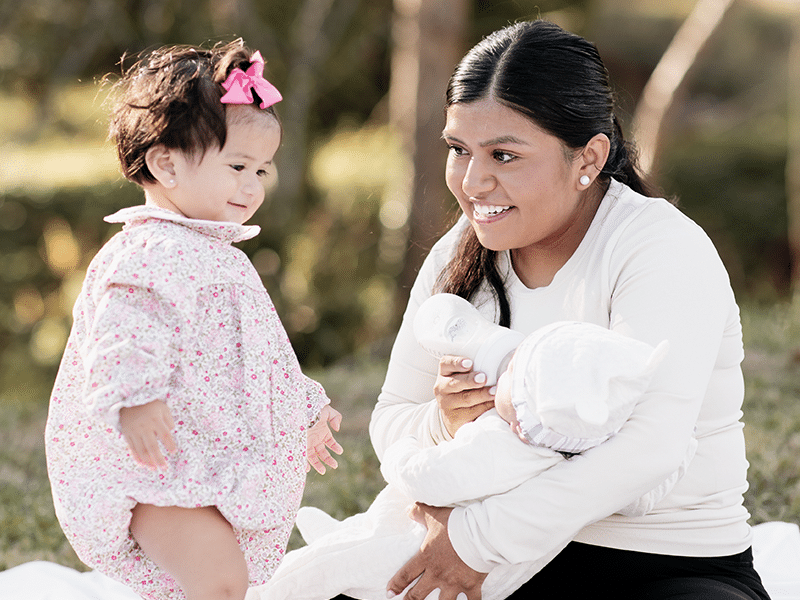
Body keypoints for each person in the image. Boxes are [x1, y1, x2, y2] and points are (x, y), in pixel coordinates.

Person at [370, 19, 771, 600]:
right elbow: (392, 414)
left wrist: (477, 540)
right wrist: (445, 424)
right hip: (512, 566)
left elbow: (650, 449)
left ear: (588, 158)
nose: (473, 182)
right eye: (459, 150)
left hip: (665, 565)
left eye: (504, 155)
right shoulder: (458, 252)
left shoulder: (661, 248)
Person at [45, 40, 343, 600]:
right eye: (237, 166)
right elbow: (123, 329)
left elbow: (258, 351)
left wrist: (303, 406)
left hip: (206, 461)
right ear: (166, 163)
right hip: (156, 470)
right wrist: (134, 396)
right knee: (219, 583)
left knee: (204, 585)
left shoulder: (221, 257)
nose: (252, 186)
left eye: (262, 170)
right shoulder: (148, 251)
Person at [248, 320, 694, 600]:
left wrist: (404, 453)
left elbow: (432, 478)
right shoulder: (583, 450)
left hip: (407, 550)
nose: (500, 370)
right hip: (498, 581)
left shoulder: (503, 445)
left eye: (512, 372)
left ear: (521, 412)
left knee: (320, 572)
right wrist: (678, 454)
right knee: (347, 548)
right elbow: (640, 497)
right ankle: (339, 538)